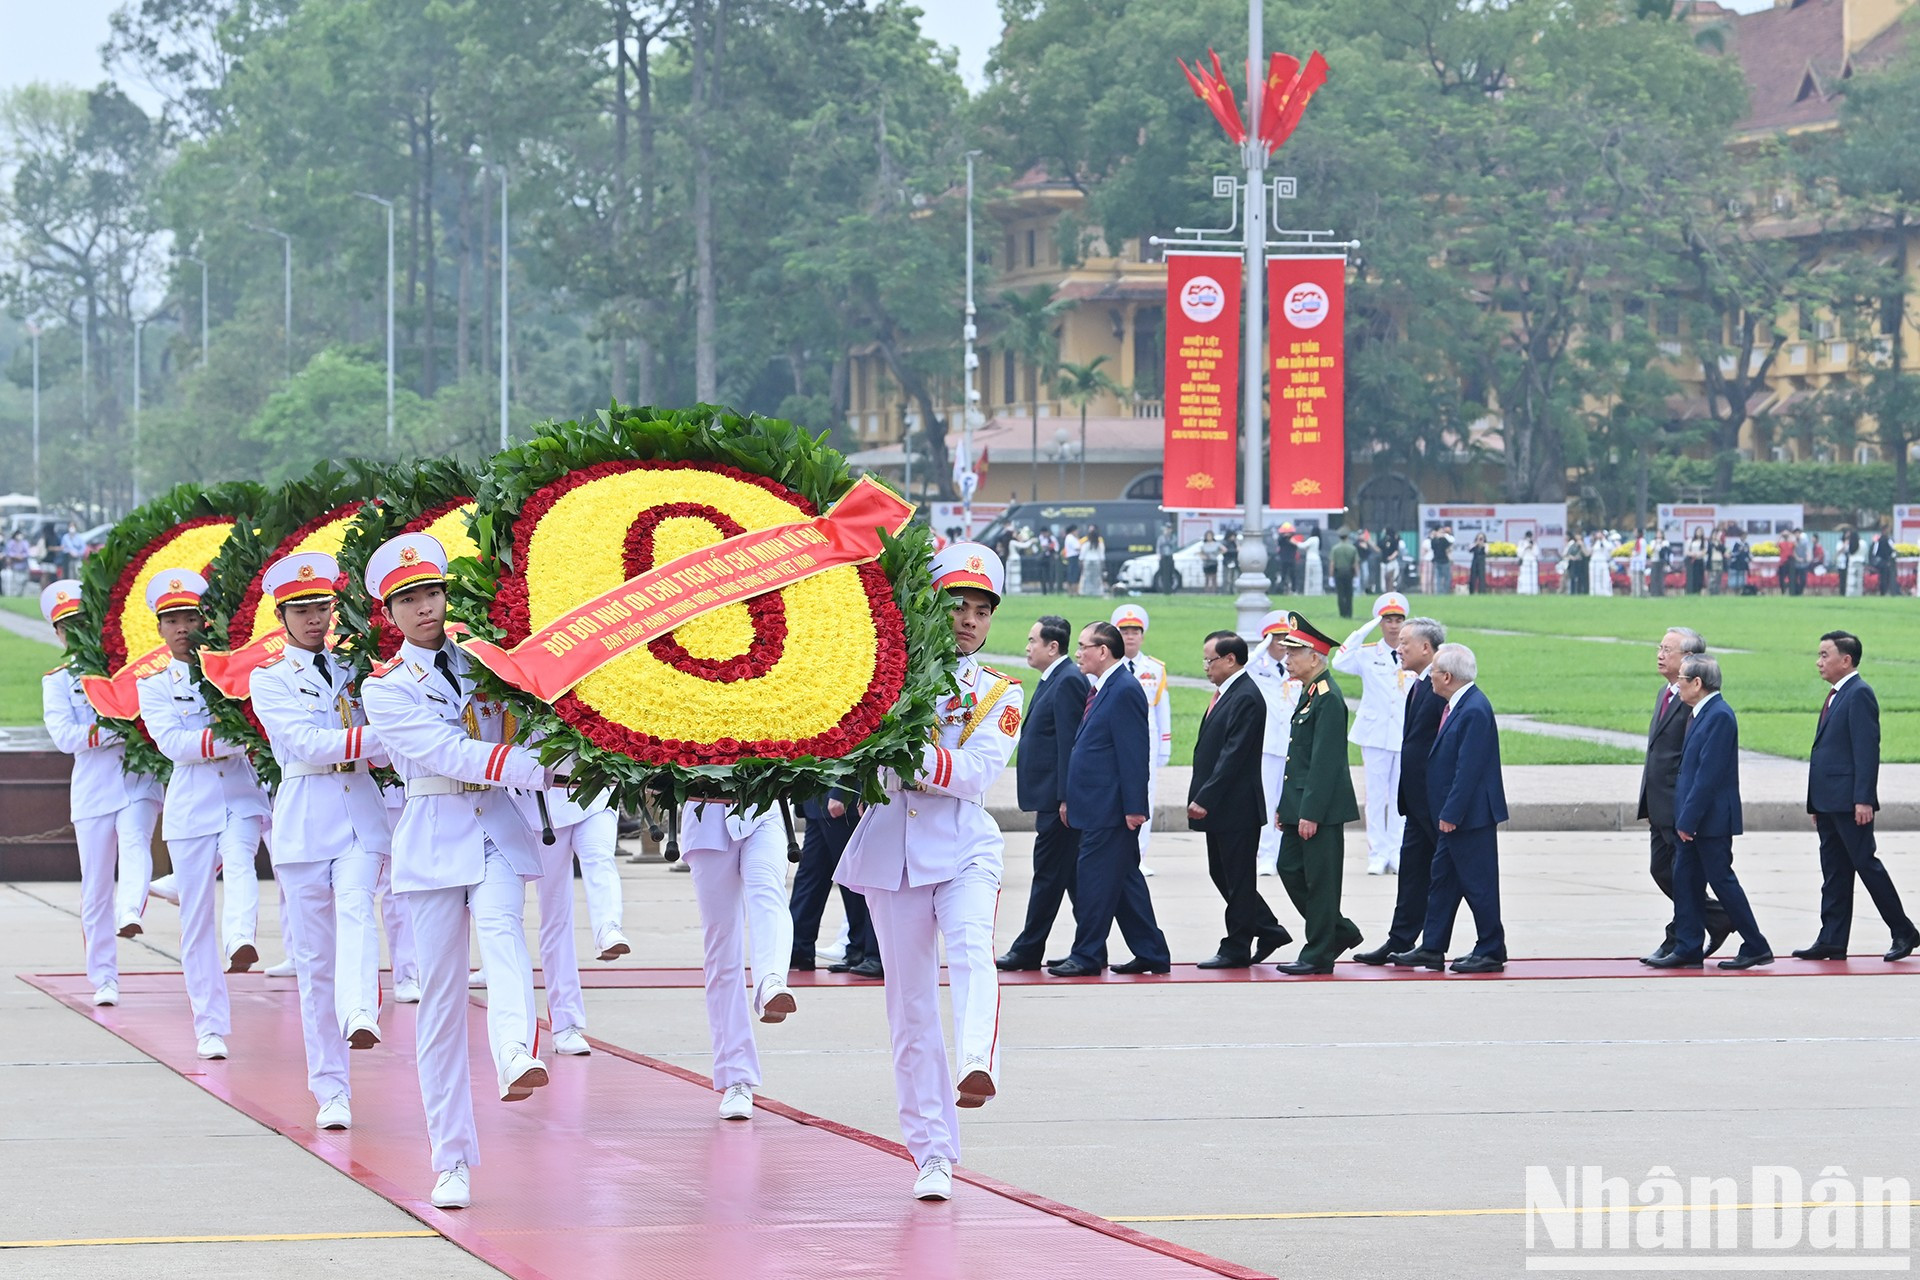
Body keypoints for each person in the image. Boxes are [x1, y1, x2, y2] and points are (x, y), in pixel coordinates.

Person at [359, 533, 557, 1210]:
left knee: (504, 933)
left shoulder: (486, 660)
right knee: (440, 1005)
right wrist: (543, 769)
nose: (424, 608)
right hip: (435, 835)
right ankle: (452, 1159)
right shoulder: (383, 689)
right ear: (389, 615)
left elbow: (528, 717)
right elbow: (446, 751)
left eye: (433, 594)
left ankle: (513, 1053)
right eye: (408, 600)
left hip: (498, 826)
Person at [835, 542, 1023, 1201]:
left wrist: (904, 755)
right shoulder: (878, 676)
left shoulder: (999, 692)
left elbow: (975, 773)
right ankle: (932, 1155)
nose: (969, 620)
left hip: (964, 846)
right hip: (893, 854)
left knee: (974, 951)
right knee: (910, 1010)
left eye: (981, 610)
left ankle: (978, 1061)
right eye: (956, 606)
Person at [248, 551, 393, 1130]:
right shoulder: (270, 677)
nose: (315, 619)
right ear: (282, 616)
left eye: (323, 607)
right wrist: (386, 734)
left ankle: (360, 1010)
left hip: (359, 811)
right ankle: (331, 1089)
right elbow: (306, 743)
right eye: (302, 609)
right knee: (313, 964)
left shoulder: (359, 670)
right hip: (305, 818)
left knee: (359, 905)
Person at [134, 569, 269, 1059]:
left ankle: (240, 940)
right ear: (160, 628)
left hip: (239, 794)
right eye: (172, 619)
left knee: (240, 864)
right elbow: (175, 745)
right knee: (194, 922)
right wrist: (238, 739)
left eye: (191, 616)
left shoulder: (233, 670)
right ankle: (209, 1025)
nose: (183, 627)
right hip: (191, 808)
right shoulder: (154, 686)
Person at [40, 580, 163, 1006]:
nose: (74, 631)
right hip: (93, 790)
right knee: (94, 888)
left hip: (137, 781)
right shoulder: (58, 681)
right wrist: (115, 729)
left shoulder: (126, 665)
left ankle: (131, 911)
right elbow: (66, 736)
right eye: (65, 626)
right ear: (57, 633)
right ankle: (104, 977)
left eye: (80, 622)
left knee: (135, 841)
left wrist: (120, 727)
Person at [1050, 621, 1170, 978]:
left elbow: (1134, 753)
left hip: (1111, 809)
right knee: (1125, 883)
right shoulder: (1105, 687)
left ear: (1103, 651)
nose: (1078, 653)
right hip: (1096, 805)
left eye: (1084, 646)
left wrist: (1135, 808)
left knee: (1095, 882)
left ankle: (1086, 955)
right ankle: (1152, 952)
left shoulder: (1125, 689)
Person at [1793, 631, 1917, 963]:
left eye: (1824, 655)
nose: (1819, 662)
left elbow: (1866, 751)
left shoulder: (1859, 694)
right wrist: (1814, 802)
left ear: (1845, 660)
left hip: (1850, 802)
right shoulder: (1836, 695)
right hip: (1828, 801)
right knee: (1834, 871)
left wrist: (1863, 799)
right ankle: (1832, 938)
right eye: (1818, 655)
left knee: (1866, 865)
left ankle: (1903, 930)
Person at [1648, 656, 1774, 970]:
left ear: (1697, 683)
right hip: (1694, 818)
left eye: (1682, 678)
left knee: (1722, 881)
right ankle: (1688, 946)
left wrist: (1688, 819)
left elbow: (1708, 775)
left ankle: (1756, 944)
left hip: (1709, 821)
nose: (1677, 684)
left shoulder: (1719, 716)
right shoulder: (1700, 713)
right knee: (1685, 881)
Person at [1389, 643, 1508, 974]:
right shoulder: (1459, 705)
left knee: (1478, 884)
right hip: (1453, 816)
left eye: (1435, 674)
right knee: (1441, 881)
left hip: (1469, 818)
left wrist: (1451, 814)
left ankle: (1491, 948)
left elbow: (1468, 770)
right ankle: (1432, 947)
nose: (1431, 680)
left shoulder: (1473, 709)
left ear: (1447, 676)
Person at [677, 799, 798, 1120]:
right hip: (707, 820)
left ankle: (771, 981)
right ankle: (736, 1077)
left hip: (763, 810)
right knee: (722, 946)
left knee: (768, 892)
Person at [1187, 630, 1289, 968]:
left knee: (1237, 878)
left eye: (1210, 660)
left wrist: (1206, 797)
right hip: (1223, 806)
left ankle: (1237, 946)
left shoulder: (1245, 696)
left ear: (1230, 660)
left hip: (1235, 807)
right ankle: (1268, 929)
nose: (1205, 667)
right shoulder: (1226, 693)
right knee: (1225, 876)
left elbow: (1233, 755)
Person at [1268, 613, 1362, 974]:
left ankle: (1319, 953)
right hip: (1300, 804)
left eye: (1294, 652)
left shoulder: (1328, 698)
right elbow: (1299, 759)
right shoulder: (1309, 693)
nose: (1287, 658)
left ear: (1315, 657)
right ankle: (1338, 931)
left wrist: (1311, 812)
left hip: (1318, 809)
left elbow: (1326, 763)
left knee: (1321, 883)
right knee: (1289, 868)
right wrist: (1286, 806)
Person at [1354, 617, 1447, 965]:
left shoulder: (1441, 686)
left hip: (1435, 803)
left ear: (1427, 648)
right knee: (1411, 875)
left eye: (1406, 642)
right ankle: (1400, 940)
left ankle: (1480, 944)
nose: (1399, 648)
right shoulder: (1418, 685)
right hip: (1415, 802)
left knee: (1457, 879)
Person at [1636, 628, 1731, 964]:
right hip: (1658, 802)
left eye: (1668, 649)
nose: (1660, 654)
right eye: (1659, 647)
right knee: (1661, 870)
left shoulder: (1694, 700)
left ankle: (1680, 937)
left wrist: (1686, 808)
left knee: (1682, 874)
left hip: (1679, 805)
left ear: (1689, 659)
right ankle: (1717, 917)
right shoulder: (1665, 692)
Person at [998, 614, 1087, 971]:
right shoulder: (1054, 678)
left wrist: (1067, 797)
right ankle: (1090, 946)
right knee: (1069, 878)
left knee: (1050, 874)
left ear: (1053, 646)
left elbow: (1069, 745)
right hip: (1050, 798)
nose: (1027, 646)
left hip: (1057, 801)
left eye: (1033, 640)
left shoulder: (1066, 681)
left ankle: (1028, 948)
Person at [515, 785, 627, 1058]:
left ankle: (608, 928)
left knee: (600, 859)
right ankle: (565, 1023)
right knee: (555, 913)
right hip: (543, 804)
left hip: (594, 792)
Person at [1332, 593, 1410, 876]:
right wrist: (1363, 629)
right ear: (1380, 622)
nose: (1393, 626)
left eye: (1398, 620)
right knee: (1376, 796)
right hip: (1375, 733)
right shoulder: (1366, 653)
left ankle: (1397, 851)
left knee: (1402, 797)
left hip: (1404, 734)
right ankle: (1377, 853)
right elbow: (1339, 662)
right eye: (1387, 620)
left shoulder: (1410, 652)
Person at [1110, 604, 1172, 874]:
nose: (1130, 636)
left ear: (1143, 635)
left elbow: (1162, 710)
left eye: (1135, 631)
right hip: (1115, 740)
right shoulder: (1108, 666)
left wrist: (1164, 745)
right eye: (1124, 631)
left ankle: (1140, 855)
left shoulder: (1154, 668)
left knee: (1145, 796)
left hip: (1147, 740)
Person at [791, 787, 878, 977]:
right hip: (815, 798)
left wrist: (841, 793)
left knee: (853, 881)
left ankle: (864, 950)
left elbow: (852, 756)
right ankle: (799, 948)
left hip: (838, 798)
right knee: (810, 878)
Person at [1247, 610, 1301, 877]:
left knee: (1289, 801)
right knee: (1267, 801)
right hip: (1267, 744)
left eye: (1286, 638)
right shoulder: (1258, 667)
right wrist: (1262, 648)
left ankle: (1283, 853)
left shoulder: (1296, 666)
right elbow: (1241, 669)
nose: (1281, 643)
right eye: (1276, 637)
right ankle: (1266, 854)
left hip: (1292, 744)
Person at [1330, 530, 1358, 616]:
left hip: (1338, 572)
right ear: (1347, 537)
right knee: (1349, 594)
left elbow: (1332, 563)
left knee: (1340, 594)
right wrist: (1357, 576)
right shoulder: (1352, 548)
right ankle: (1349, 613)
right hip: (1349, 572)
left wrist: (1331, 576)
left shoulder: (1335, 548)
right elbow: (1355, 564)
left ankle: (1342, 613)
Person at [1271, 522, 1298, 593]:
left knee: (1293, 576)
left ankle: (1293, 590)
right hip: (1284, 560)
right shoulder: (1281, 540)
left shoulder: (1293, 540)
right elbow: (1279, 541)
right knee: (1283, 575)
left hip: (1291, 560)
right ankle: (1282, 589)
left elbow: (1296, 546)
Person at [1870, 526, 1896, 596]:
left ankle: (1883, 591)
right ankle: (1886, 591)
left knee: (1882, 578)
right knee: (1886, 577)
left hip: (1880, 562)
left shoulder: (1878, 540)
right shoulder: (1889, 540)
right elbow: (1893, 550)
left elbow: (1874, 552)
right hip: (1886, 561)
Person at [1080, 523, 1106, 595]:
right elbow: (1102, 555)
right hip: (1097, 561)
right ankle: (1097, 592)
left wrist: (1081, 563)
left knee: (1087, 577)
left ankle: (1086, 592)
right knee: (1097, 577)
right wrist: (1103, 565)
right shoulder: (1099, 543)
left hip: (1087, 561)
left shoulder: (1086, 543)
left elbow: (1082, 554)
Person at [1428, 526, 1453, 595]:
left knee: (1443, 578)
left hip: (1441, 560)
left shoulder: (1438, 540)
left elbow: (1448, 548)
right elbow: (1447, 550)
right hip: (1441, 561)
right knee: (1442, 578)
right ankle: (1442, 592)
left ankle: (1443, 592)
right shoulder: (1438, 540)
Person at [1155, 523, 1179, 594]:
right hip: (1163, 558)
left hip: (1170, 557)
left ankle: (1170, 590)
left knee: (1170, 574)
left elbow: (1174, 546)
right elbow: (1158, 547)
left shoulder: (1173, 537)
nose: (1168, 530)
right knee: (1163, 574)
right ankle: (1165, 590)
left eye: (1169, 529)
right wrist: (1159, 555)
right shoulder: (1161, 538)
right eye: (1166, 529)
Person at [1589, 530, 1613, 597]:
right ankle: (1594, 592)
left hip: (1603, 562)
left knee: (1605, 578)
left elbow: (1609, 548)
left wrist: (1603, 539)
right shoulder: (1595, 543)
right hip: (1595, 562)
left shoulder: (1606, 542)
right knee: (1595, 578)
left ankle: (1606, 592)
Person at [1061, 524, 1082, 596]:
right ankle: (1073, 592)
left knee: (1072, 575)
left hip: (1073, 557)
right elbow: (1077, 547)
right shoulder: (1070, 537)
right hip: (1073, 557)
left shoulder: (1072, 537)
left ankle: (1072, 592)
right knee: (1073, 575)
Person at [1302, 528, 1324, 596]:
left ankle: (1308, 593)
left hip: (1311, 561)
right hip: (1317, 560)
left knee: (1309, 577)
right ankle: (1317, 592)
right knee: (1317, 579)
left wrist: (1294, 541)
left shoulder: (1312, 539)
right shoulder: (1318, 540)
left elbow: (1303, 545)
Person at [1727, 531, 1750, 595]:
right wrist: (1739, 550)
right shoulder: (1736, 544)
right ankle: (1734, 590)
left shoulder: (1746, 544)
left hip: (1743, 563)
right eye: (1743, 536)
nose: (1744, 537)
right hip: (1736, 563)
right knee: (1735, 577)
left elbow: (1748, 554)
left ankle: (1741, 590)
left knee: (1742, 577)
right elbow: (1732, 553)